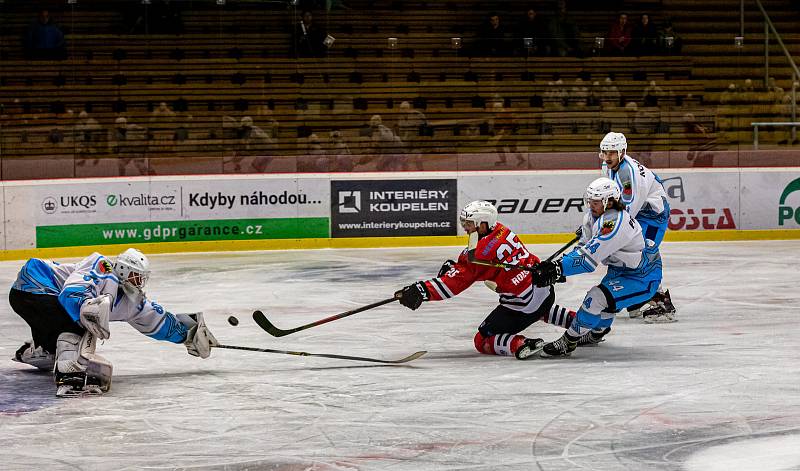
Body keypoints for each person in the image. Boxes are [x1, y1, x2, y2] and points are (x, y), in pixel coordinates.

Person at [10, 248, 218, 397]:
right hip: (33, 283)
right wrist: (85, 305)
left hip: (42, 299)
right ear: (123, 270)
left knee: (70, 326)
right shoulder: (102, 268)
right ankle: (70, 379)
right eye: (136, 276)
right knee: (79, 325)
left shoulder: (130, 301)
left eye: (141, 278)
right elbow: (73, 292)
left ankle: (41, 351)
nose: (139, 282)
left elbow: (155, 319)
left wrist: (187, 334)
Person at [395, 201, 589, 360]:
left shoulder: (478, 253)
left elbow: (453, 284)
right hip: (543, 290)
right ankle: (580, 323)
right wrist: (456, 269)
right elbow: (485, 268)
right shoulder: (501, 230)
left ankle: (521, 344)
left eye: (469, 224)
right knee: (540, 309)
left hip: (522, 306)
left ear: (483, 224)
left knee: (482, 339)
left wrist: (422, 290)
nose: (465, 228)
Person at [530, 178, 663, 357]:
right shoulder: (592, 217)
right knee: (607, 305)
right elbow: (582, 248)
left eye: (596, 201)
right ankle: (596, 334)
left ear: (609, 201)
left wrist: (558, 268)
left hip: (642, 276)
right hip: (621, 270)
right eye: (590, 201)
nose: (591, 205)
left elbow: (588, 259)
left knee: (596, 298)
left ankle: (568, 342)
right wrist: (559, 267)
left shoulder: (615, 223)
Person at [598, 131, 675, 322]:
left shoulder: (629, 174)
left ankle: (661, 301)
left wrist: (606, 228)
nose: (607, 157)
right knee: (626, 250)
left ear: (622, 152)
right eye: (604, 152)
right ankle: (638, 299)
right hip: (640, 211)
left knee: (643, 252)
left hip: (653, 215)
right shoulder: (607, 167)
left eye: (612, 153)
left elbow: (628, 211)